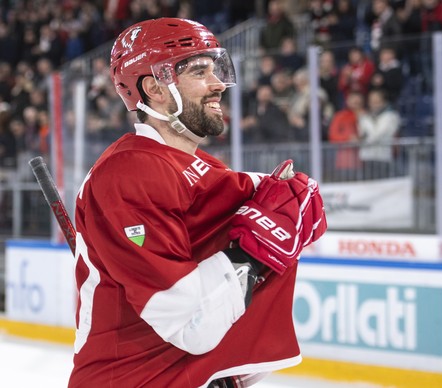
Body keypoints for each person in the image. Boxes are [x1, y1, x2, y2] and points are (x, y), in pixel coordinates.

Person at [68, 18, 327, 388]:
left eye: (216, 68)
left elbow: (293, 214)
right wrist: (252, 255)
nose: (218, 83)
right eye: (199, 71)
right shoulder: (127, 173)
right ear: (155, 88)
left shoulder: (205, 169)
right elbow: (190, 323)